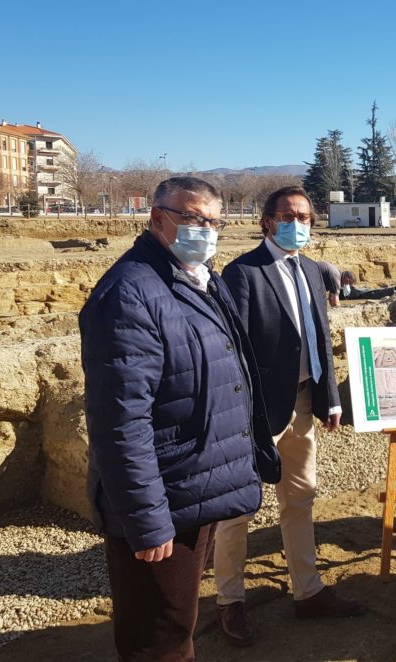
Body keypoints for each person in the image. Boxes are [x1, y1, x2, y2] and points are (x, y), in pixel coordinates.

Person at [80, 176, 280, 660]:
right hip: (165, 499)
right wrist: (148, 521)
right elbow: (121, 422)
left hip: (193, 488)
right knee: (160, 639)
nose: (205, 230)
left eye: (214, 221)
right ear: (157, 218)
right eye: (192, 218)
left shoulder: (197, 279)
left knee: (177, 622)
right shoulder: (131, 293)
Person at [214, 186, 364, 646]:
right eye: (287, 215)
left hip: (301, 404)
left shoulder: (314, 271)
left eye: (305, 216)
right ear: (266, 221)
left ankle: (308, 590)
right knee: (236, 508)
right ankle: (230, 601)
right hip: (254, 411)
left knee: (299, 498)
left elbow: (319, 338)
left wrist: (330, 399)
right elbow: (231, 351)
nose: (297, 223)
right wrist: (238, 414)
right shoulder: (242, 273)